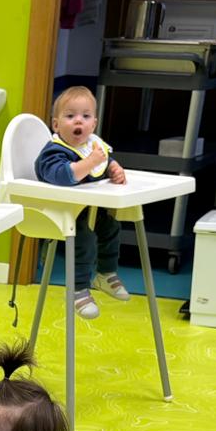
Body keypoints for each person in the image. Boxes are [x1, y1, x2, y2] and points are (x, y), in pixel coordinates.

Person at [34, 86, 130, 321]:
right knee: (84, 240)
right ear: (56, 125)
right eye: (70, 116)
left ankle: (105, 274)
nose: (79, 121)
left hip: (88, 209)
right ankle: (78, 289)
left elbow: (104, 162)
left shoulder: (92, 146)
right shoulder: (55, 151)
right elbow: (64, 175)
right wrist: (90, 162)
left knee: (111, 226)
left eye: (85, 116)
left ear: (94, 124)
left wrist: (113, 168)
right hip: (60, 213)